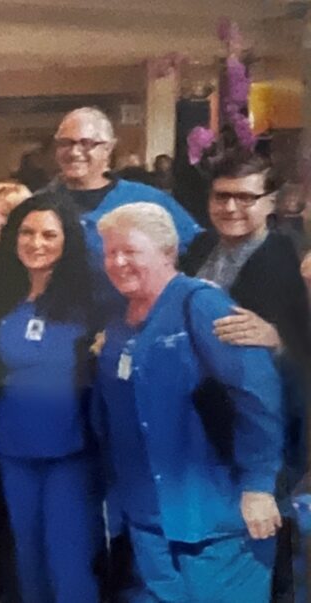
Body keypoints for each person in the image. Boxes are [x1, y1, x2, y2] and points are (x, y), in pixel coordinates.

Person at [93, 202, 283, 602]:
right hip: (147, 521)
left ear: (166, 252)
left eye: (130, 251)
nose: (118, 262)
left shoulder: (200, 304)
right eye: (110, 252)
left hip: (216, 519)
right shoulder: (116, 320)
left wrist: (259, 485)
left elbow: (258, 394)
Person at [179, 154, 310, 601]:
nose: (231, 207)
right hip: (205, 425)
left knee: (264, 548)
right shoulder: (198, 249)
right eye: (222, 196)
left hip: (270, 431)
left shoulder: (293, 259)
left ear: (271, 201)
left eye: (245, 197)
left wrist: (280, 339)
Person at [0, 194, 103, 603]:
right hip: (14, 447)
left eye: (49, 234)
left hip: (71, 450)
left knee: (69, 564)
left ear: (67, 240)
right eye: (27, 232)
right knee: (27, 563)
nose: (37, 243)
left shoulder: (92, 298)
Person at [45, 107, 201, 311]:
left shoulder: (147, 200)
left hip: (133, 324)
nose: (74, 152)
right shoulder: (40, 204)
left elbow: (198, 251)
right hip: (60, 325)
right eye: (66, 143)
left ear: (108, 149)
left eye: (87, 143)